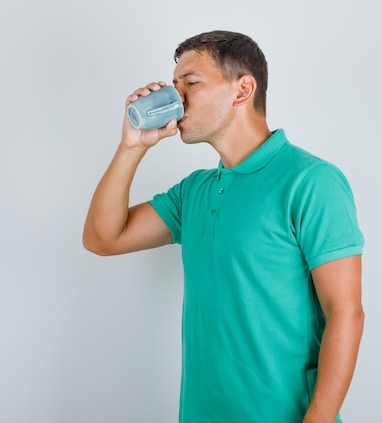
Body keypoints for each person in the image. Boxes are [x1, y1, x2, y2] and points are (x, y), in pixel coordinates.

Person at [83, 30, 365, 423]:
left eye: (191, 83)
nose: (176, 99)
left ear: (242, 90)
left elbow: (345, 312)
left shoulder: (310, 180)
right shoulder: (194, 191)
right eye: (174, 85)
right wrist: (132, 146)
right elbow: (102, 238)